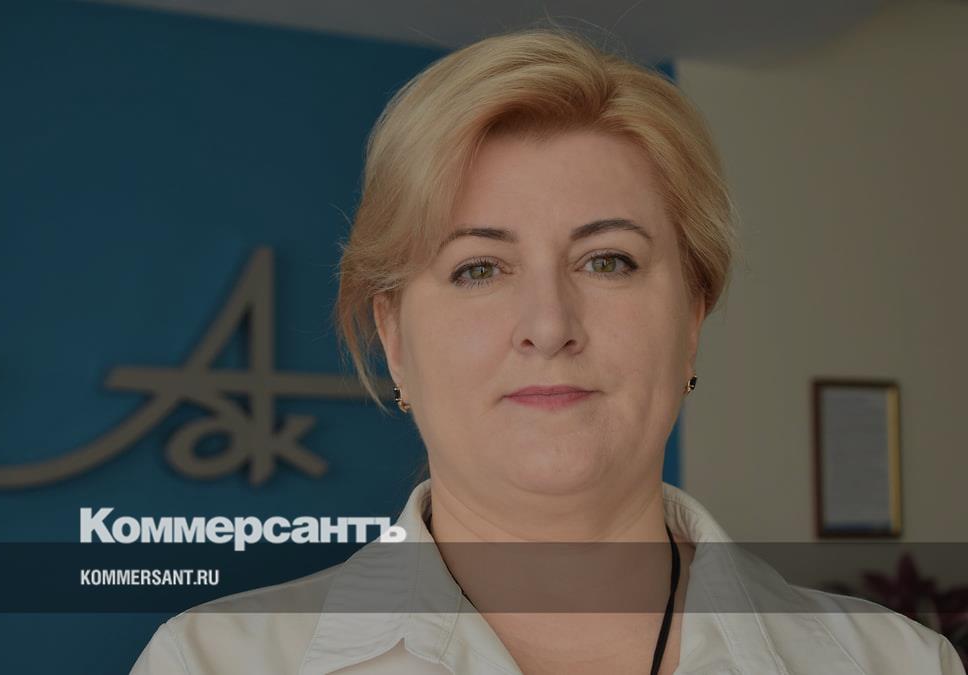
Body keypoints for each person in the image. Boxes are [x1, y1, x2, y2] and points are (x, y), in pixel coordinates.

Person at [130, 28, 964, 674]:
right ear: (393, 336)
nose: (549, 323)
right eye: (478, 268)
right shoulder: (213, 662)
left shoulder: (895, 663)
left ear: (692, 317)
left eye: (608, 261)